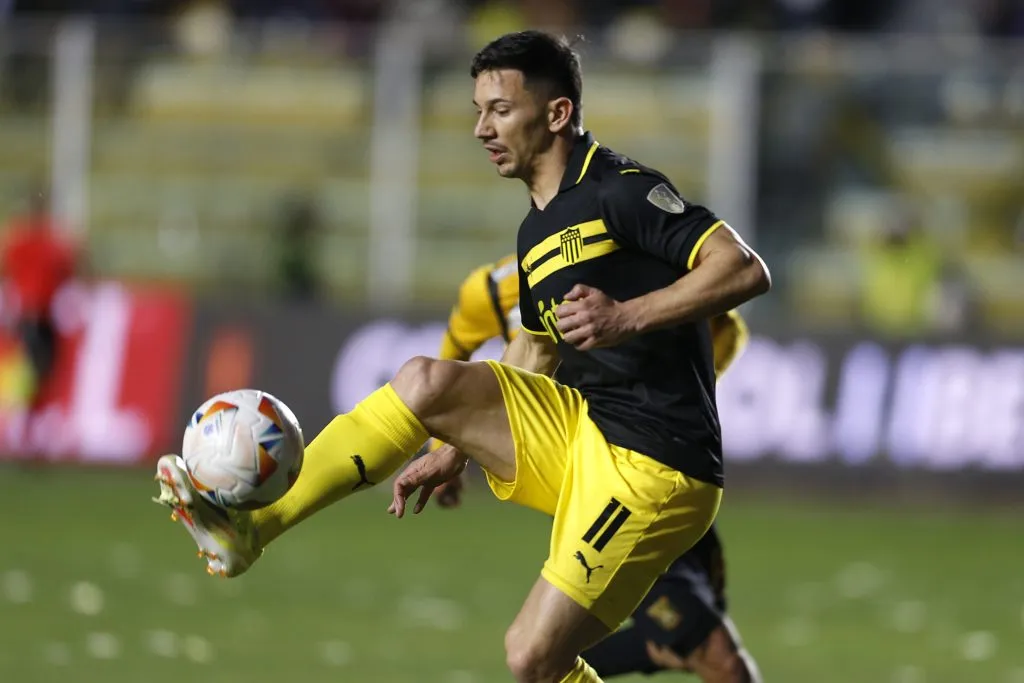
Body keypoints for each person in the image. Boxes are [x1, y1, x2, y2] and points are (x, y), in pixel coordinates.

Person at [153, 30, 770, 683]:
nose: (481, 128)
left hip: (657, 466)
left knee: (532, 656)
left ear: (557, 114)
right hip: (587, 431)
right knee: (425, 381)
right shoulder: (536, 229)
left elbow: (743, 267)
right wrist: (457, 446)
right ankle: (254, 529)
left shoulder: (622, 189)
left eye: (499, 109)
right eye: (478, 110)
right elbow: (534, 346)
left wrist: (629, 314)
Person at [433, 254, 760, 682]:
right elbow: (457, 349)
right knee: (718, 655)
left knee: (698, 641)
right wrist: (444, 447)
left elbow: (726, 324)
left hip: (665, 464)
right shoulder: (498, 286)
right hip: (610, 487)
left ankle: (625, 652)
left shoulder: (647, 247)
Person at [0, 186, 78, 407]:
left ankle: (24, 412)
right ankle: (25, 411)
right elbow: (68, 270)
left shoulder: (18, 240)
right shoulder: (51, 241)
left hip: (28, 313)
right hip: (39, 313)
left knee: (30, 366)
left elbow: (7, 273)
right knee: (37, 367)